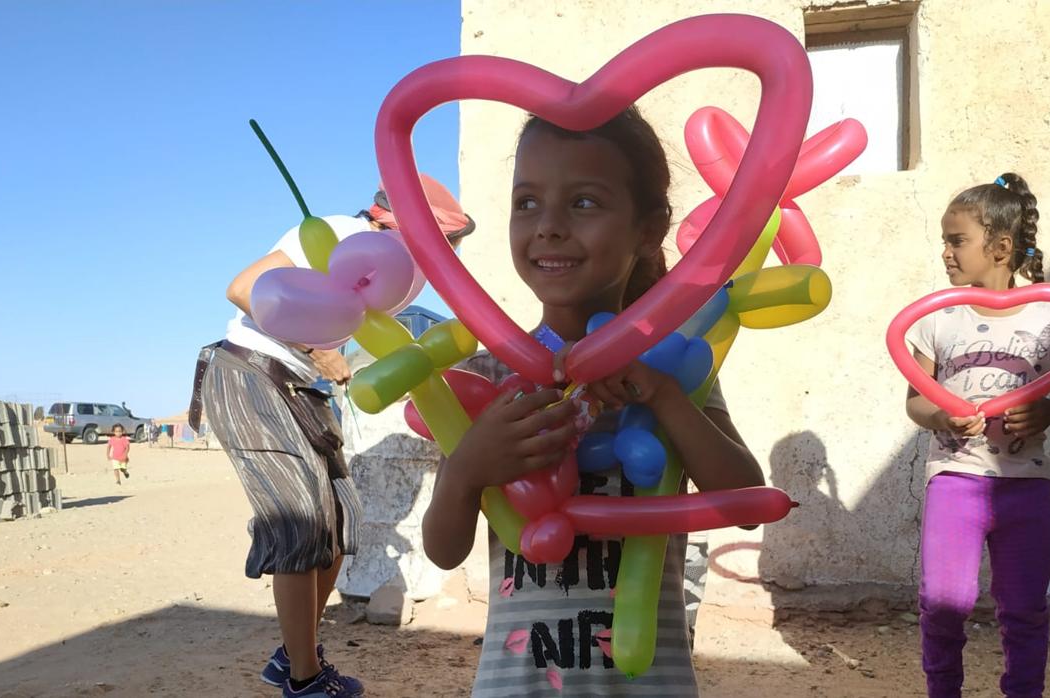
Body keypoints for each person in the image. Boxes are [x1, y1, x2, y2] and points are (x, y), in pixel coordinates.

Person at [422, 107, 764, 696]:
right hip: (516, 686)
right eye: (526, 202)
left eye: (583, 202)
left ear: (648, 227)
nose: (548, 226)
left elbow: (745, 503)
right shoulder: (487, 373)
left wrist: (661, 396)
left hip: (648, 684)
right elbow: (444, 549)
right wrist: (468, 468)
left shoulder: (673, 364)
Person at [193, 175, 473, 698]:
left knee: (341, 520)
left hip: (301, 389)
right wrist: (318, 349)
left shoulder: (387, 277)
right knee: (301, 519)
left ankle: (292, 653)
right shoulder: (337, 235)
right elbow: (242, 287)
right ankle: (305, 680)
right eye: (442, 245)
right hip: (250, 375)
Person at [904, 173, 1050, 698]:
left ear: (1001, 246)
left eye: (956, 240)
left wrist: (1046, 413)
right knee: (942, 605)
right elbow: (916, 400)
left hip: (1025, 487)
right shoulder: (938, 318)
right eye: (945, 240)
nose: (945, 251)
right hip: (955, 481)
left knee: (1025, 607)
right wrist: (941, 417)